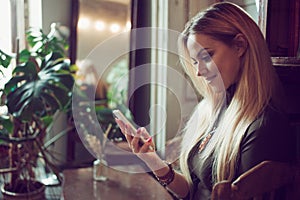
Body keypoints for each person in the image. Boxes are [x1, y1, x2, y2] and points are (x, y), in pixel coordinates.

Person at [115, 2, 295, 199]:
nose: (199, 71)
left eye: (207, 56)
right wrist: (151, 159)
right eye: (194, 62)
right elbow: (194, 191)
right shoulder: (212, 110)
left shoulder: (265, 125)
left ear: (240, 45)